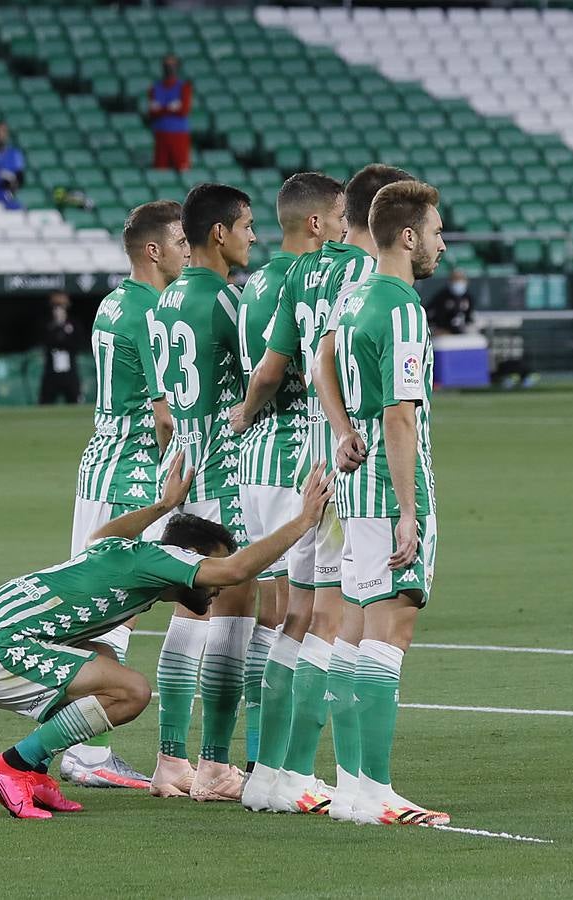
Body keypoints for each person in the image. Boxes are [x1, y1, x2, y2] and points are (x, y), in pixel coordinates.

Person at [0, 452, 336, 819]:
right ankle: (11, 765)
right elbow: (235, 571)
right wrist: (303, 520)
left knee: (102, 657)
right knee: (132, 691)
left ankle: (35, 769)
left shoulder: (120, 551)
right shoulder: (161, 560)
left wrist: (164, 506)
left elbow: (99, 534)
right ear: (189, 556)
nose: (215, 590)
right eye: (206, 567)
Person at [242, 164, 413, 818]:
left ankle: (272, 774)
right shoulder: (369, 278)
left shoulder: (301, 271)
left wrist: (245, 415)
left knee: (295, 618)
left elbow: (277, 364)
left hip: (286, 455)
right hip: (339, 463)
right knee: (336, 622)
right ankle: (342, 781)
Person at [320, 180, 448, 827]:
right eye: (435, 231)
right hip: (389, 489)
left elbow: (321, 361)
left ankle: (349, 787)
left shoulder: (356, 292)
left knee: (352, 634)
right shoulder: (398, 306)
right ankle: (375, 791)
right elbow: (399, 416)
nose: (440, 244)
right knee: (389, 634)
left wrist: (342, 430)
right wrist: (408, 508)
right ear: (407, 236)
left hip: (353, 487)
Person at [58, 199, 187, 789]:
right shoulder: (152, 310)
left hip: (99, 462)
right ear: (154, 250)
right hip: (132, 472)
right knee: (113, 615)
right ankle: (82, 752)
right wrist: (176, 469)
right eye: (181, 242)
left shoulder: (111, 303)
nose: (188, 251)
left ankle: (78, 745)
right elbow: (162, 416)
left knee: (97, 612)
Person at [229, 172, 346, 778]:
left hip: (255, 457)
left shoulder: (256, 282)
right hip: (290, 451)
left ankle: (254, 757)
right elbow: (280, 370)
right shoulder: (298, 280)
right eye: (343, 216)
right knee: (288, 614)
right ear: (319, 222)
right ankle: (264, 759)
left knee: (271, 614)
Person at [150, 182, 255, 801]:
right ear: (219, 232)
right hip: (226, 471)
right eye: (245, 226)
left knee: (189, 615)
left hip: (182, 469)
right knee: (236, 613)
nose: (251, 236)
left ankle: (170, 762)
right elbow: (256, 387)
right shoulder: (227, 302)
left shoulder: (162, 304)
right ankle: (215, 765)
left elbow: (165, 408)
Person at [148, 55, 192, 171]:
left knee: (182, 167)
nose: (169, 68)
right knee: (160, 169)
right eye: (167, 65)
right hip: (161, 134)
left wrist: (162, 108)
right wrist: (171, 108)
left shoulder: (184, 87)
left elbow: (183, 111)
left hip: (179, 134)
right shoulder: (155, 88)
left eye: (172, 65)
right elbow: (153, 113)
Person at [38, 292, 81, 405]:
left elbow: (76, 343)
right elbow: (46, 342)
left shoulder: (73, 325)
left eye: (61, 307)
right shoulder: (47, 325)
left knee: (74, 400)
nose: (58, 310)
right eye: (55, 307)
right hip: (51, 370)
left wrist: (63, 327)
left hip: (69, 370)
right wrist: (57, 326)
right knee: (45, 401)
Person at [426, 268, 474, 335]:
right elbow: (430, 312)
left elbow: (469, 317)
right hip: (443, 333)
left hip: (462, 332)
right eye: (456, 279)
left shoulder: (468, 297)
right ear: (450, 281)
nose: (458, 282)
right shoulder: (442, 296)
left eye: (461, 279)